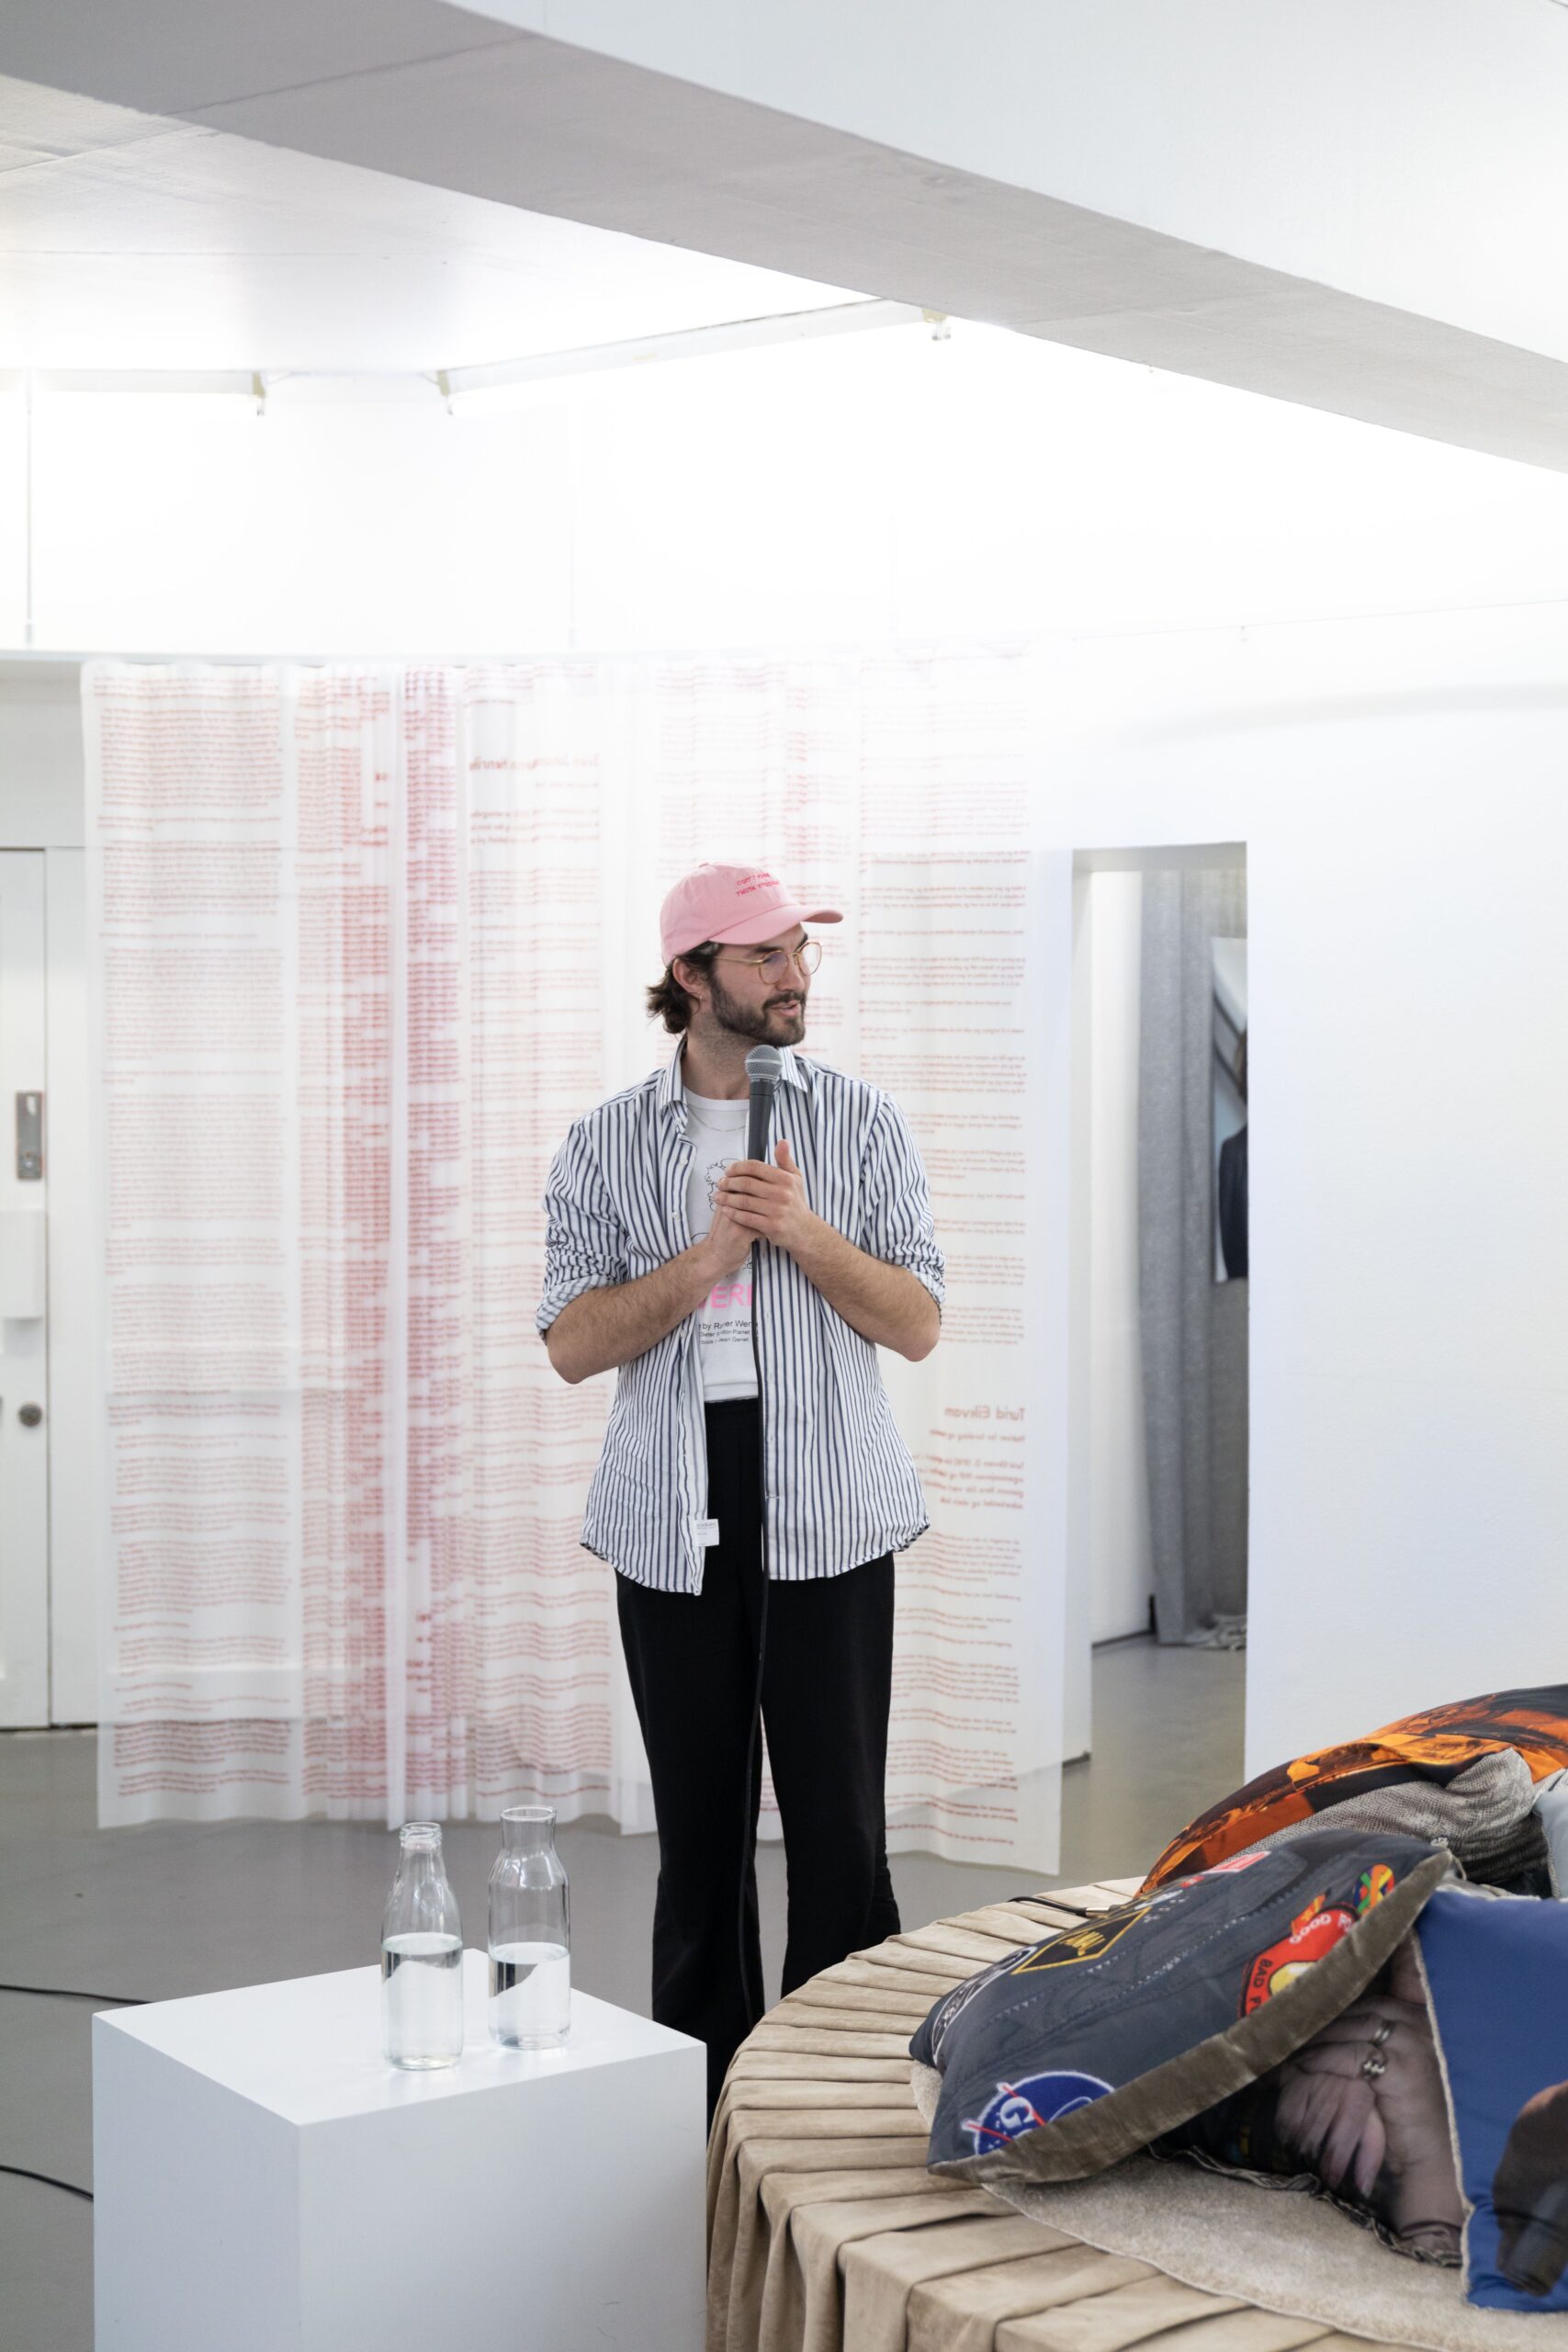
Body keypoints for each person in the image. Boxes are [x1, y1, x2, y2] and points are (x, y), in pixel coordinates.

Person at [536, 861, 944, 2114]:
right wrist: (707, 1256)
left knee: (841, 1837)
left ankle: (838, 2101)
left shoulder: (860, 1122)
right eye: (765, 957)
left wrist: (804, 1235)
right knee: (700, 1842)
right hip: (672, 1513)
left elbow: (919, 1322)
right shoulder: (605, 1141)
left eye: (800, 954)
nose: (795, 977)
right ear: (692, 975)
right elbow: (570, 1343)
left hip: (828, 1501)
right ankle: (707, 2105)